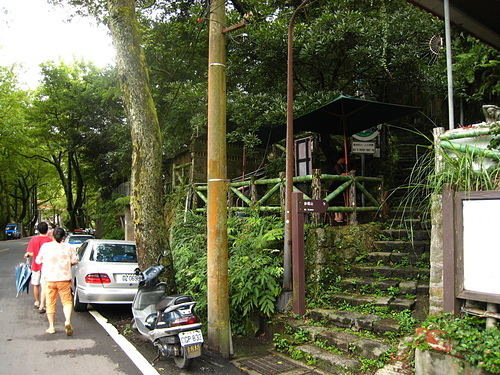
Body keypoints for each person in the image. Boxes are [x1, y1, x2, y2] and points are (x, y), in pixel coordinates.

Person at [36, 227, 78, 335]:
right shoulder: (69, 247)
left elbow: (38, 260)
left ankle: (51, 327)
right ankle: (67, 321)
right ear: (64, 236)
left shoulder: (46, 246)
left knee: (50, 303)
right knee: (67, 301)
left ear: (52, 236)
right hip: (64, 278)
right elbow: (75, 261)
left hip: (49, 278)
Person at [24, 222, 53, 313]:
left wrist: (28, 254)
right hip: (47, 266)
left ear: (38, 230)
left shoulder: (33, 240)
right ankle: (44, 303)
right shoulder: (50, 240)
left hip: (36, 266)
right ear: (47, 230)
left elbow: (32, 253)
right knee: (46, 285)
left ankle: (37, 301)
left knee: (36, 284)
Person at [329, 155, 355, 223]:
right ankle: (337, 217)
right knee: (336, 201)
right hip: (334, 186)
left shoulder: (341, 166)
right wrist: (349, 173)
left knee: (341, 200)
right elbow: (340, 174)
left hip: (340, 185)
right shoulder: (336, 166)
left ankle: (341, 216)